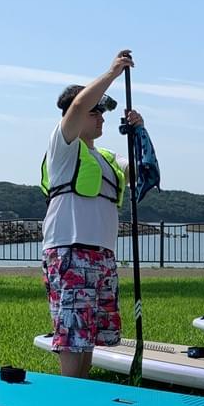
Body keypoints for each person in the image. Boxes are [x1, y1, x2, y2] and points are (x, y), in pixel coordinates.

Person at [40, 49, 142, 379]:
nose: (100, 117)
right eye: (95, 111)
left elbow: (144, 173)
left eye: (103, 113)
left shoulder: (109, 157)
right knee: (73, 336)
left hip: (101, 256)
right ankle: (69, 400)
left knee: (89, 336)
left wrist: (139, 133)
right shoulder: (64, 145)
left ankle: (81, 392)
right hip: (70, 251)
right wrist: (112, 73)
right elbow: (80, 105)